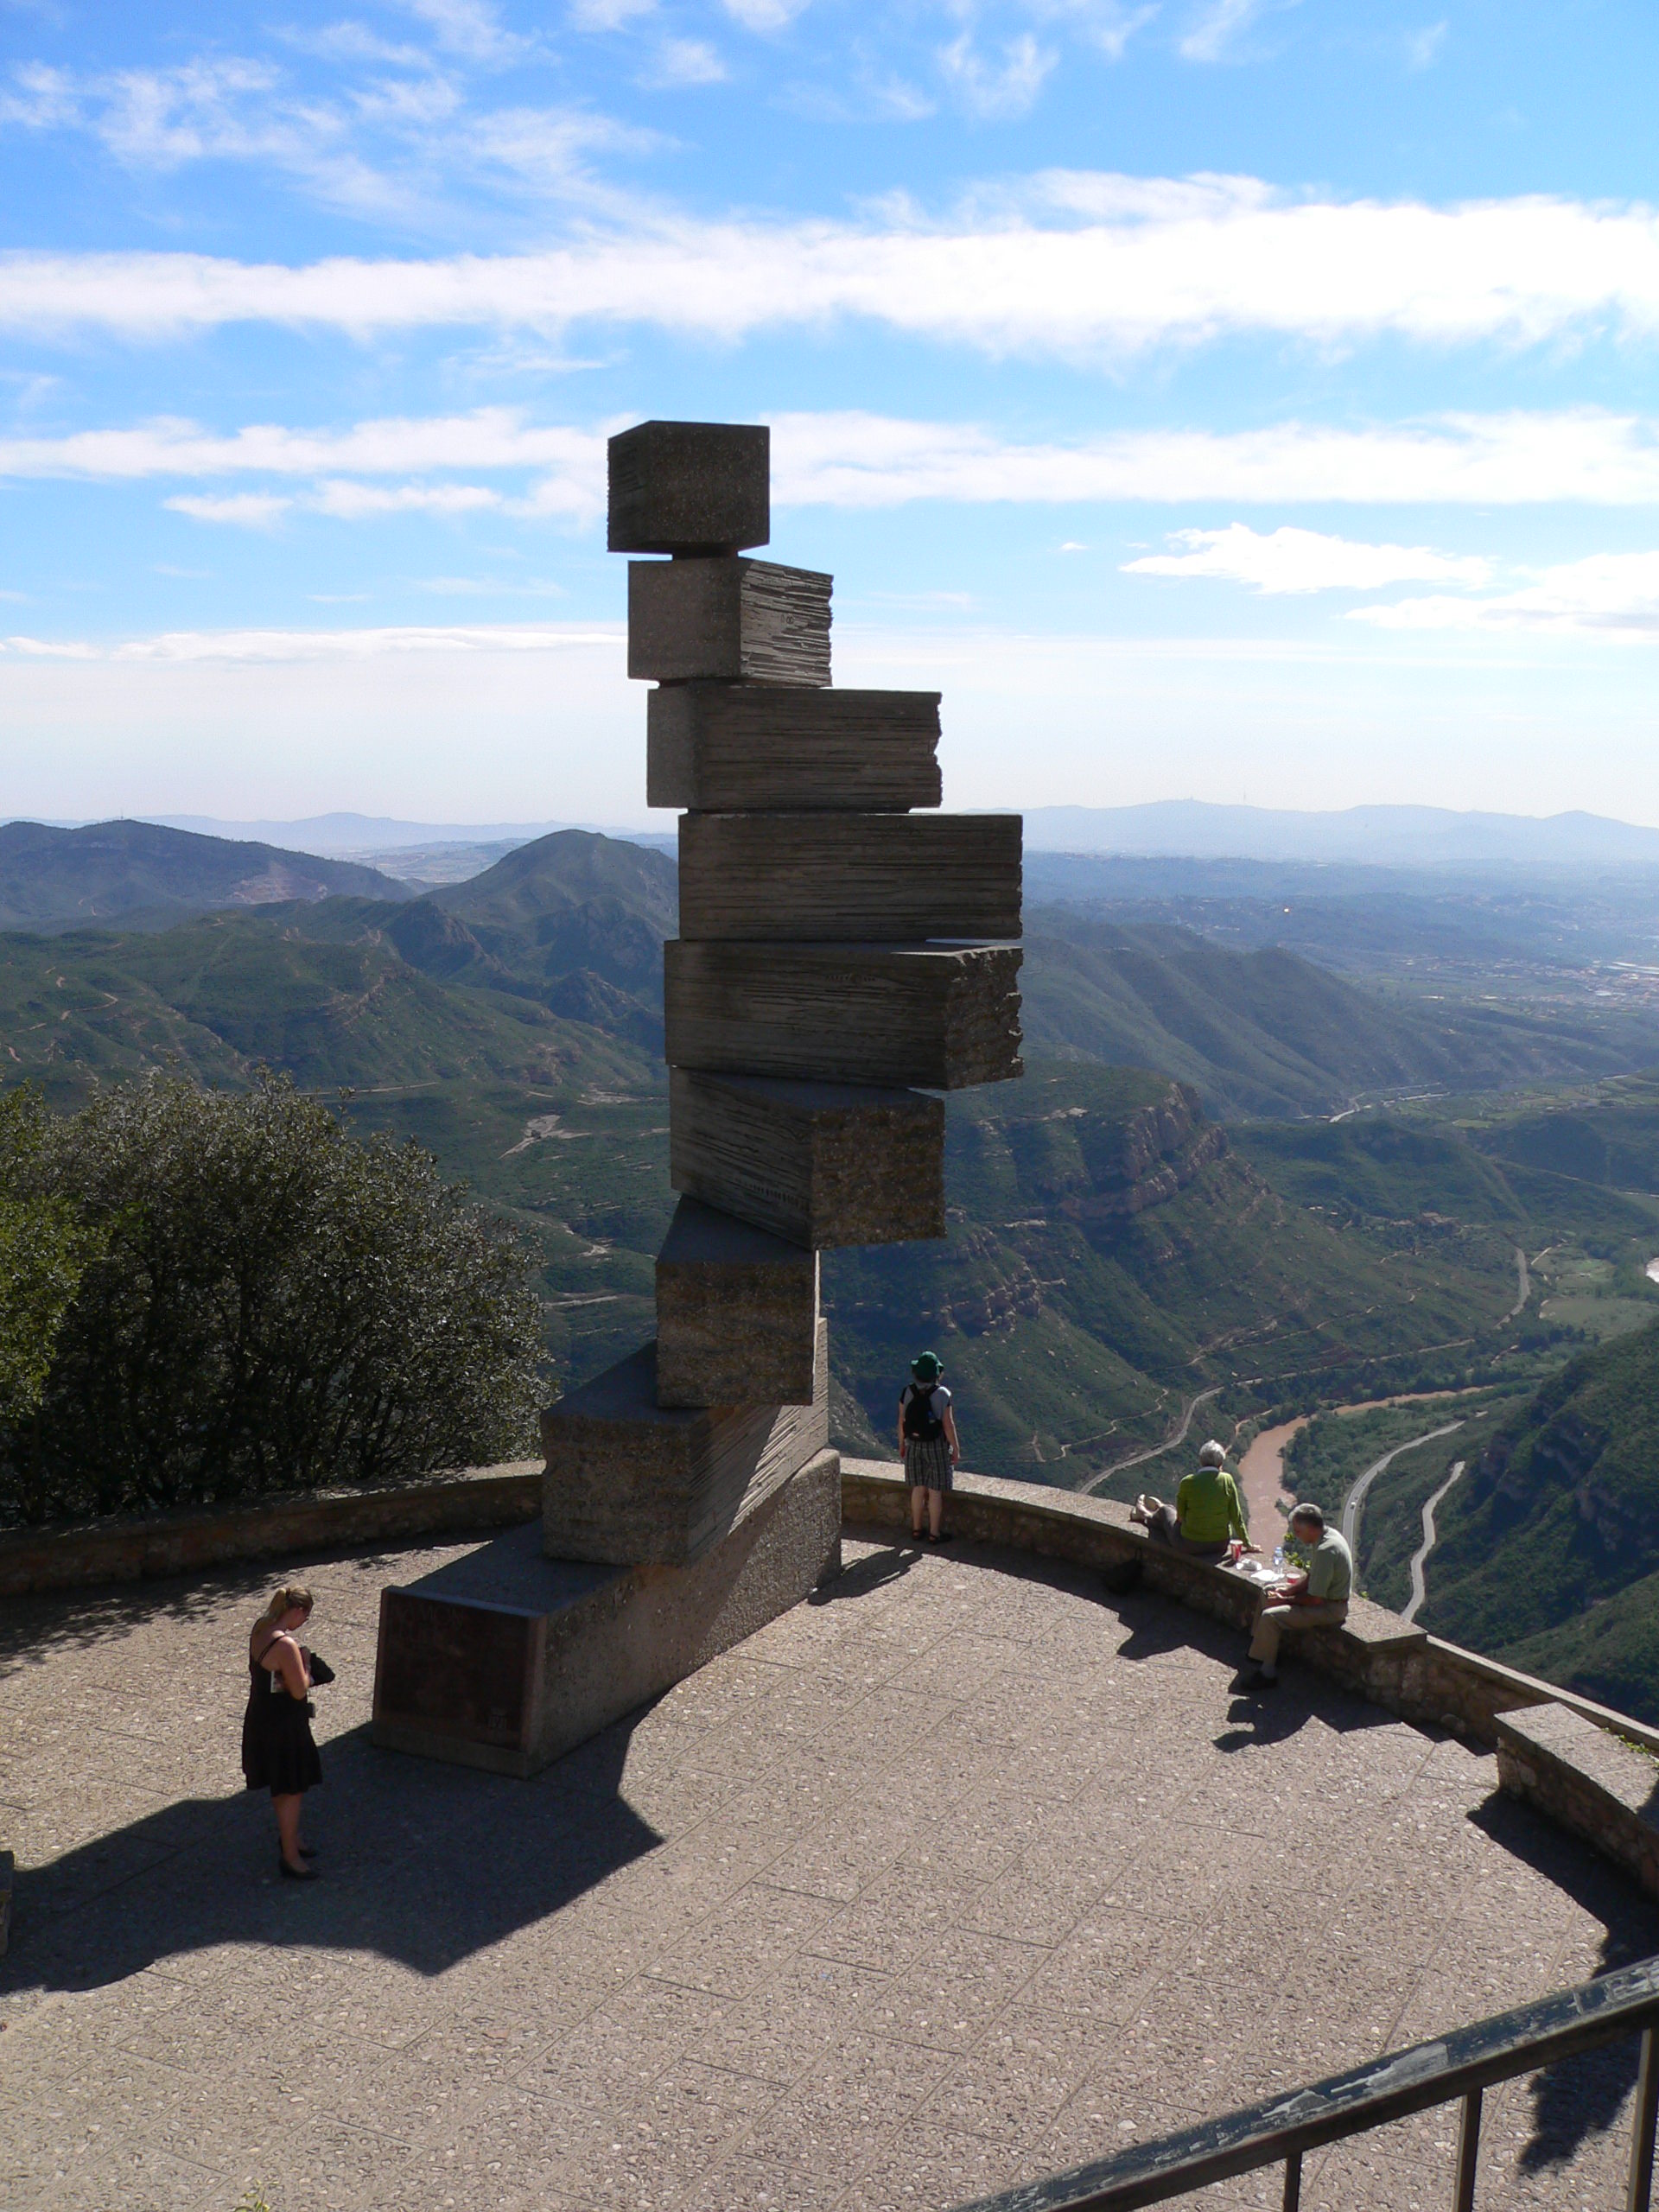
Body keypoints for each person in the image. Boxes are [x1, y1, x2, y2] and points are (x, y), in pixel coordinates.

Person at [242, 1582, 324, 1878]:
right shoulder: (286, 1645)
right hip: (285, 1725)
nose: (304, 1622)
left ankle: (290, 1837)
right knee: (293, 1787)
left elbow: (269, 1676)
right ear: (298, 1610)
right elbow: (300, 1690)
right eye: (306, 1616)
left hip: (261, 1717)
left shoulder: (260, 1628)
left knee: (280, 1783)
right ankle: (290, 1856)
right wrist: (306, 1664)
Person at [1243, 1503, 1352, 1689]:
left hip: (1331, 1608)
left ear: (1310, 1528)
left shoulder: (1326, 1550)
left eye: (1298, 1531)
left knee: (1270, 1617)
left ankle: (1267, 1674)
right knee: (1268, 1591)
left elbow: (1315, 1599)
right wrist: (1287, 1591)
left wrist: (1283, 1599)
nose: (1296, 1535)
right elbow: (1312, 1577)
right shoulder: (1327, 1536)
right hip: (1324, 1599)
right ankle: (1261, 1651)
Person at [1131, 1439, 1254, 1561]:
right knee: (1169, 1512)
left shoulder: (1188, 1482)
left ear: (1201, 1460)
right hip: (1220, 1545)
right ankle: (1157, 1509)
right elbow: (1236, 1517)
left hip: (1189, 1545)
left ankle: (1145, 1514)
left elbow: (1180, 1518)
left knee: (1166, 1510)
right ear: (1221, 1462)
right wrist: (1247, 1544)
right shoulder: (1228, 1480)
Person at [899, 1351, 960, 1542]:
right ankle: (934, 1533)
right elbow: (948, 1425)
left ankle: (917, 1529)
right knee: (935, 1491)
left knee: (918, 1488)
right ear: (936, 1374)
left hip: (913, 1445)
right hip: (936, 1447)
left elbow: (901, 1421)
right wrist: (955, 1449)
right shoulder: (942, 1394)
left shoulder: (907, 1392)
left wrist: (902, 1444)